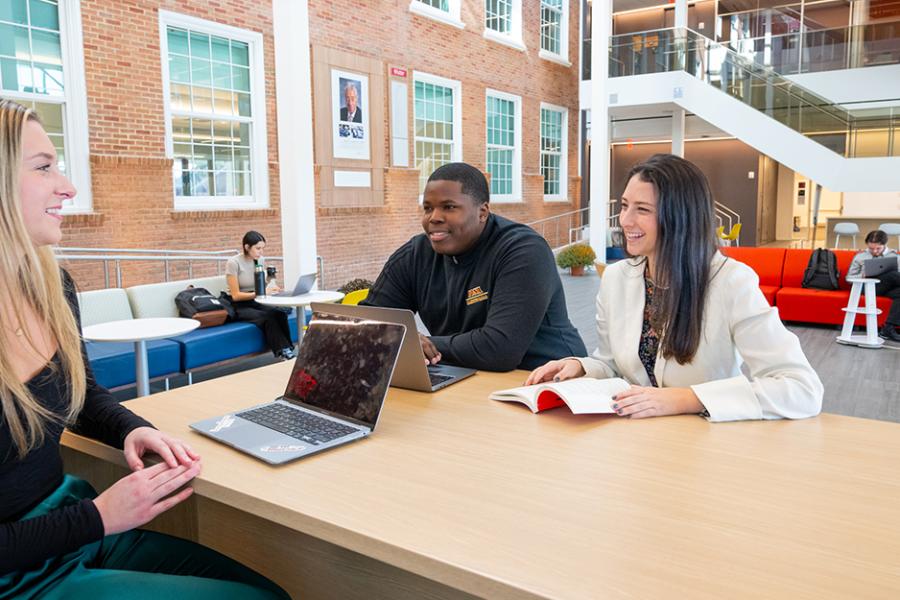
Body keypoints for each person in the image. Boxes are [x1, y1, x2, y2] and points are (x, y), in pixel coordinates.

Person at [0, 99, 289, 597]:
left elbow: (83, 396)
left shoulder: (51, 285)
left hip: (74, 531)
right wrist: (98, 517)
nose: (67, 186)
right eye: (44, 168)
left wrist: (130, 429)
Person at [526, 154, 823, 421]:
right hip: (634, 442)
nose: (625, 220)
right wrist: (581, 367)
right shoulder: (617, 278)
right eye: (625, 206)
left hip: (703, 443)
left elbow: (801, 388)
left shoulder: (732, 281)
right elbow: (615, 365)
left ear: (681, 217)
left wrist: (687, 399)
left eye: (642, 209)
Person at [361, 162, 586, 371]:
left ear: (482, 212)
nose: (434, 218)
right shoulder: (415, 256)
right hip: (467, 375)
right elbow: (364, 323)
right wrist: (392, 336)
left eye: (449, 207)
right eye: (428, 208)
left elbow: (500, 349)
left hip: (549, 381)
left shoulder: (523, 251)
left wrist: (415, 343)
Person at [225, 231, 296, 360]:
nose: (261, 252)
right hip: (239, 304)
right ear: (247, 247)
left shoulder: (259, 260)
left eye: (263, 248)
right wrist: (260, 293)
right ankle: (283, 351)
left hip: (256, 300)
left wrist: (269, 279)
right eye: (258, 248)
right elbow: (235, 296)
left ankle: (289, 348)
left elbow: (259, 284)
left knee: (279, 313)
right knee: (267, 316)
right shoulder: (234, 263)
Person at [846, 229, 900, 342]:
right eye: (871, 248)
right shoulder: (860, 256)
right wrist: (862, 276)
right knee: (893, 274)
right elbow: (848, 278)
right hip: (866, 288)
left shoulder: (894, 256)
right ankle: (887, 330)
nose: (874, 251)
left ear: (885, 245)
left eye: (878, 248)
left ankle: (888, 328)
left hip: (888, 287)